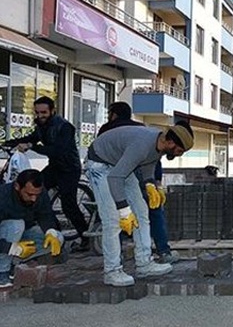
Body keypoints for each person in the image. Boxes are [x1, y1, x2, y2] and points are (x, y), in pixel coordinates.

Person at [86, 121, 194, 286]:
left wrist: (151, 184)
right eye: (180, 151)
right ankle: (112, 271)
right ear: (171, 143)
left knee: (141, 212)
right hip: (100, 164)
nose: (179, 154)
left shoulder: (159, 145)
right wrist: (123, 210)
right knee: (113, 220)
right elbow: (115, 178)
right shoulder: (141, 145)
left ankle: (144, 264)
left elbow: (148, 164)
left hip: (119, 165)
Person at [4, 96, 89, 251]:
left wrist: (31, 146)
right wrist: (9, 143)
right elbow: (31, 137)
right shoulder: (41, 126)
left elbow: (57, 150)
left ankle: (85, 237)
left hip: (69, 169)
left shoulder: (65, 127)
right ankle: (54, 233)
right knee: (36, 191)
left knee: (68, 205)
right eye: (37, 112)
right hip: (54, 167)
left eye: (43, 112)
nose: (40, 116)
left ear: (52, 111)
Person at [98, 102, 178, 264]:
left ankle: (121, 257)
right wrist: (155, 183)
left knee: (117, 217)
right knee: (149, 212)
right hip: (122, 173)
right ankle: (162, 251)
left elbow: (152, 158)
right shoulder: (142, 128)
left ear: (113, 114)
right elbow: (155, 159)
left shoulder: (107, 129)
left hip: (121, 172)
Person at [0, 170, 64, 288]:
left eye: (37, 195)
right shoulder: (2, 197)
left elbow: (46, 215)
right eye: (29, 195)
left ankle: (13, 264)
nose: (34, 199)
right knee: (16, 225)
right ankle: (2, 272)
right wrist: (12, 248)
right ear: (17, 186)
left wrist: (50, 232)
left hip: (21, 234)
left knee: (58, 238)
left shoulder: (39, 193)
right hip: (5, 236)